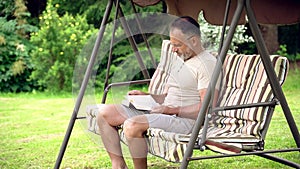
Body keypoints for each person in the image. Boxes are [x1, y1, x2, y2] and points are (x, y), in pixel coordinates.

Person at [97, 16, 218, 169]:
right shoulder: (181, 58)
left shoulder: (207, 64)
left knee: (132, 125)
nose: (173, 49)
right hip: (164, 113)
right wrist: (147, 96)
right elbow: (168, 97)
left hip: (186, 122)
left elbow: (207, 108)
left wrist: (170, 110)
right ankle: (118, 165)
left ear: (193, 41)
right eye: (172, 44)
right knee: (104, 113)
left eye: (177, 45)